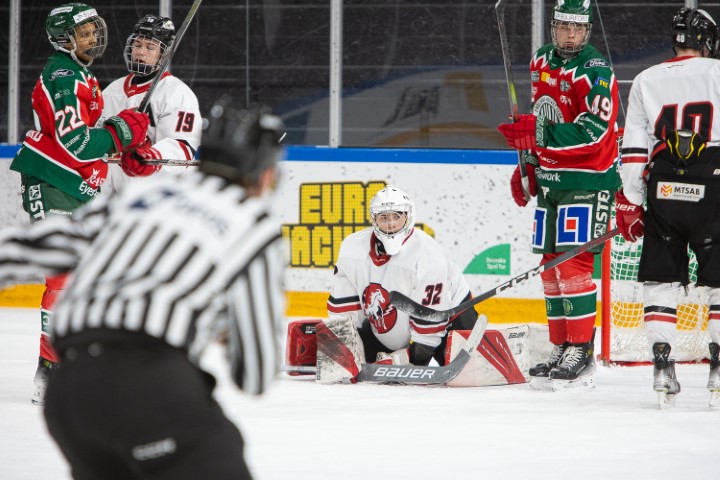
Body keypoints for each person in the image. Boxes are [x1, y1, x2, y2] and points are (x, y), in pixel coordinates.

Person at [0, 98, 287, 479]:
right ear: (264, 174)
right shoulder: (255, 224)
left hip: (69, 394)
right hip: (149, 388)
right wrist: (224, 328)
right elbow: (254, 375)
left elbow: (33, 247)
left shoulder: (143, 194)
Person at [9, 2, 151, 405]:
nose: (92, 38)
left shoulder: (79, 74)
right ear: (62, 39)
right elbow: (77, 143)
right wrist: (121, 131)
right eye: (82, 33)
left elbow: (84, 143)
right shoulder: (64, 77)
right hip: (52, 183)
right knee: (65, 279)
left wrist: (122, 146)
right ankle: (51, 371)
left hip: (72, 185)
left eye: (92, 30)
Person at [496, 0, 621, 389]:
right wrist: (529, 164)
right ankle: (561, 345)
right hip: (552, 180)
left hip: (588, 180)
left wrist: (538, 134)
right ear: (553, 27)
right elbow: (543, 115)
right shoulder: (541, 62)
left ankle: (581, 350)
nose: (570, 35)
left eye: (577, 28)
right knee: (550, 267)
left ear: (587, 30)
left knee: (572, 265)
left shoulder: (596, 71)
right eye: (564, 27)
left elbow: (593, 132)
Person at [615, 7, 720, 403]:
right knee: (718, 282)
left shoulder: (646, 79)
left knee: (660, 280)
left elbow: (634, 149)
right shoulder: (718, 73)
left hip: (664, 186)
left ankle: (662, 365)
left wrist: (631, 200)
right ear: (707, 41)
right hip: (713, 185)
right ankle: (718, 368)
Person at [323, 185, 478, 376]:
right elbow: (343, 313)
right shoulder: (352, 248)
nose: (390, 224)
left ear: (408, 216)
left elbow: (429, 329)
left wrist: (411, 361)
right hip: (387, 329)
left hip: (449, 320)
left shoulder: (428, 255)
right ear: (374, 219)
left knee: (468, 372)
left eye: (397, 216)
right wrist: (345, 354)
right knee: (366, 360)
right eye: (383, 217)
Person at [101, 13, 202, 191]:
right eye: (137, 44)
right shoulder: (111, 91)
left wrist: (151, 157)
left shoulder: (177, 94)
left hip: (153, 195)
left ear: (164, 53)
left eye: (150, 47)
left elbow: (183, 148)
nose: (140, 52)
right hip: (109, 195)